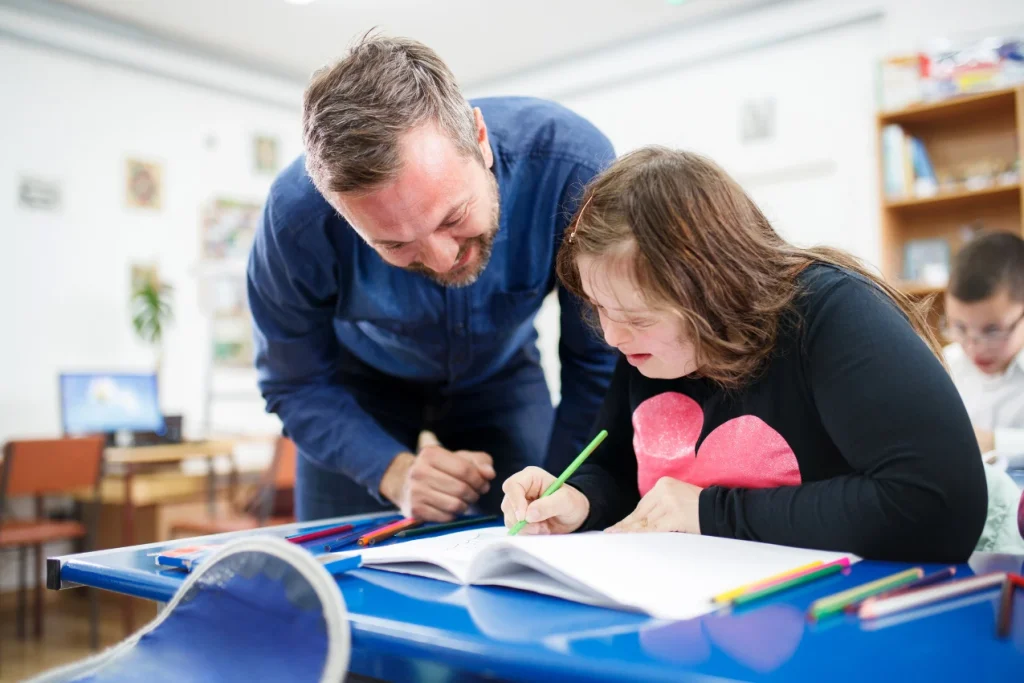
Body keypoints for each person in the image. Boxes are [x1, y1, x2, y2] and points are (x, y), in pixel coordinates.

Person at [500, 146, 988, 562]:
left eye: (637, 317)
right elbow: (618, 472)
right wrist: (579, 498)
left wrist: (706, 512)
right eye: (600, 307)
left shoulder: (830, 314)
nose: (611, 336)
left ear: (712, 289)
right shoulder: (646, 351)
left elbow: (937, 504)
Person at [247, 34, 617, 522]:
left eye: (453, 216)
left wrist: (568, 488)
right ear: (338, 211)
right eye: (395, 245)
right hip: (358, 391)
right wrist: (391, 471)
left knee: (547, 533)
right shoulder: (295, 221)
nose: (442, 260)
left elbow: (596, 360)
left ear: (480, 140)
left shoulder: (574, 170)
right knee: (336, 581)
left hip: (502, 377)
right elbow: (294, 382)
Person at [943, 232, 1024, 457]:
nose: (973, 347)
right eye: (959, 327)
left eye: (992, 331)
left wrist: (994, 442)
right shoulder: (944, 365)